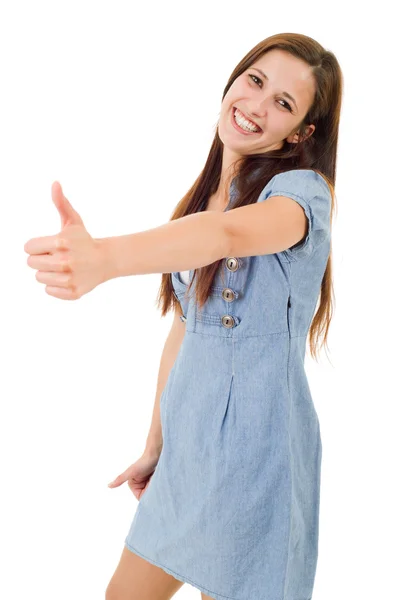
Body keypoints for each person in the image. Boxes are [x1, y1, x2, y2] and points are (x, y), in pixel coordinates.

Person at [24, 32, 343, 600]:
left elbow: (224, 236)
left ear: (302, 133)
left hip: (259, 456)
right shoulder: (203, 201)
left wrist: (106, 259)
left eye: (284, 104)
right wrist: (157, 443)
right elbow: (183, 331)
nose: (257, 105)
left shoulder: (302, 195)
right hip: (188, 449)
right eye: (256, 81)